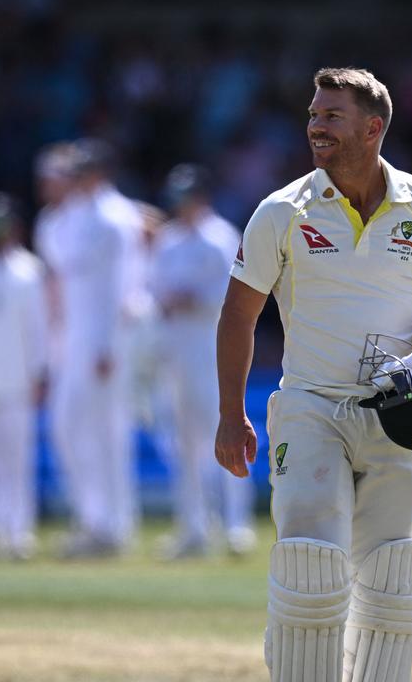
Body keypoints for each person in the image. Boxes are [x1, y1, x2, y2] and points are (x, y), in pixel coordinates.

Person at [215, 68, 412, 681]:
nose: (315, 126)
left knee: (392, 579)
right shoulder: (282, 210)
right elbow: (237, 314)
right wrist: (231, 414)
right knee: (312, 567)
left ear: (372, 127)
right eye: (312, 114)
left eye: (331, 115)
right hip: (311, 406)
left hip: (399, 410)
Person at [151, 164, 257, 559]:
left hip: (213, 351)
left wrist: (192, 298)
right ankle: (193, 527)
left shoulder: (219, 238)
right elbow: (155, 290)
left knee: (226, 433)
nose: (182, 206)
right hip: (177, 351)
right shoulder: (168, 240)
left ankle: (235, 526)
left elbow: (233, 297)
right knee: (184, 444)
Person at [34, 142, 133, 557]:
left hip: (103, 341)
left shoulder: (113, 219)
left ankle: (110, 527)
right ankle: (92, 518)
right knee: (67, 428)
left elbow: (120, 288)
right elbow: (57, 280)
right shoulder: (66, 218)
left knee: (106, 432)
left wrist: (108, 347)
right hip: (71, 340)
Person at [0, 193, 49, 560]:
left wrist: (39, 372)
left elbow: (37, 328)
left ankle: (19, 531)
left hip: (17, 379)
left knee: (17, 459)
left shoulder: (27, 270)